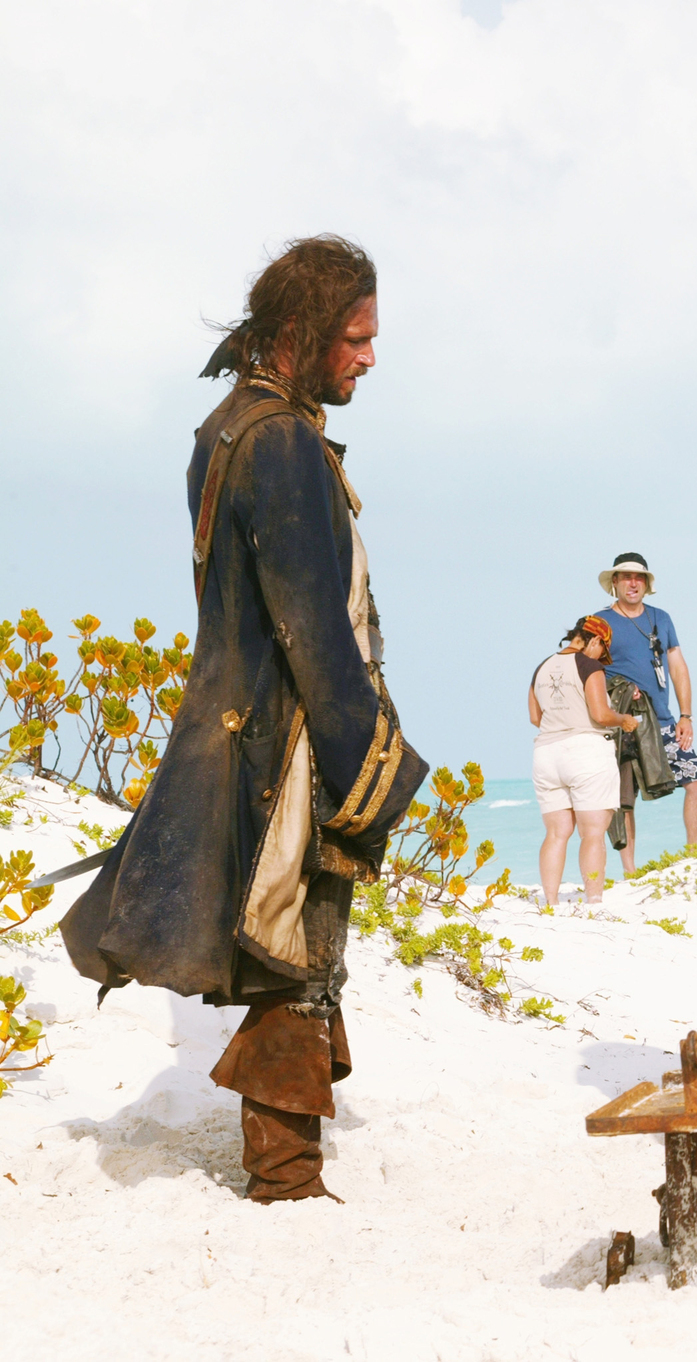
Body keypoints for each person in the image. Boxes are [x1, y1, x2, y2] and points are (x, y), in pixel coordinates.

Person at [61, 235, 427, 1202]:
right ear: (302, 333)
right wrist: (367, 766)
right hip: (288, 737)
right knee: (297, 954)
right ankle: (285, 1175)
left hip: (252, 723)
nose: (369, 358)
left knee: (289, 947)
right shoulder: (279, 440)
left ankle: (286, 1161)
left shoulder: (228, 427)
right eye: (354, 338)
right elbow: (310, 629)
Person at [595, 553, 697, 867]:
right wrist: (616, 689)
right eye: (626, 577)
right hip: (625, 722)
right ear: (614, 583)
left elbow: (677, 667)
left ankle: (694, 856)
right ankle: (630, 872)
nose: (633, 583)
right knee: (625, 800)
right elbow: (588, 671)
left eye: (639, 577)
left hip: (663, 721)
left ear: (646, 583)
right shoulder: (600, 622)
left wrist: (685, 715)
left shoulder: (661, 618)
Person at [529, 615, 640, 905]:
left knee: (556, 833)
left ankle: (550, 902)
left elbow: (535, 717)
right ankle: (593, 901)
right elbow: (601, 715)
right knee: (592, 833)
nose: (603, 660)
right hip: (585, 751)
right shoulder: (589, 667)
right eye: (603, 652)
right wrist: (624, 719)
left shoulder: (541, 667)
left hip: (547, 753)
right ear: (595, 640)